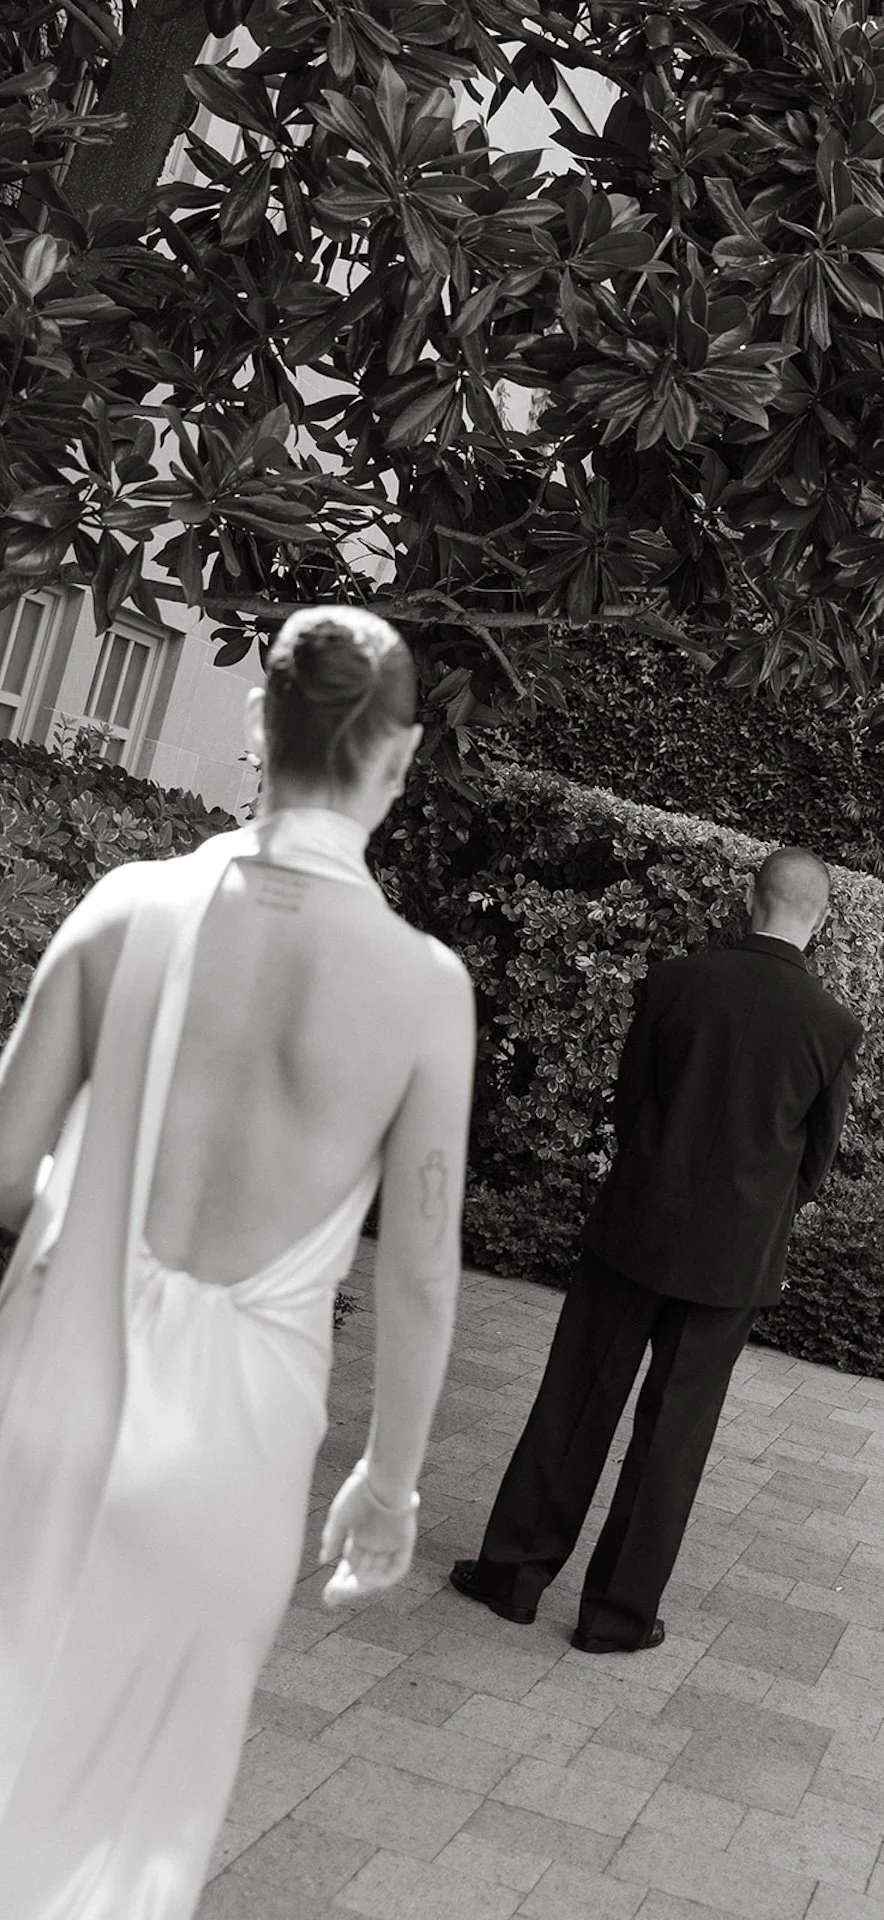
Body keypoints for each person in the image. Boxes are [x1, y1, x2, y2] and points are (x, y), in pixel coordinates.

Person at [0, 606, 475, 1919]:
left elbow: (0, 1165)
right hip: (235, 1454)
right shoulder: (425, 988)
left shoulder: (123, 907)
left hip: (50, 1393)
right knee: (135, 1816)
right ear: (401, 756)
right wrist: (389, 1487)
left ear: (261, 730)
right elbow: (422, 1272)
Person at [451, 847, 862, 1654]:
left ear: (753, 898)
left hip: (636, 1229)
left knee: (575, 1402)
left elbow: (630, 1101)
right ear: (819, 917)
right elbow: (814, 1164)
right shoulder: (833, 1027)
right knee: (675, 1437)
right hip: (732, 1263)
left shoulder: (678, 982)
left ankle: (512, 1577)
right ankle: (617, 1618)